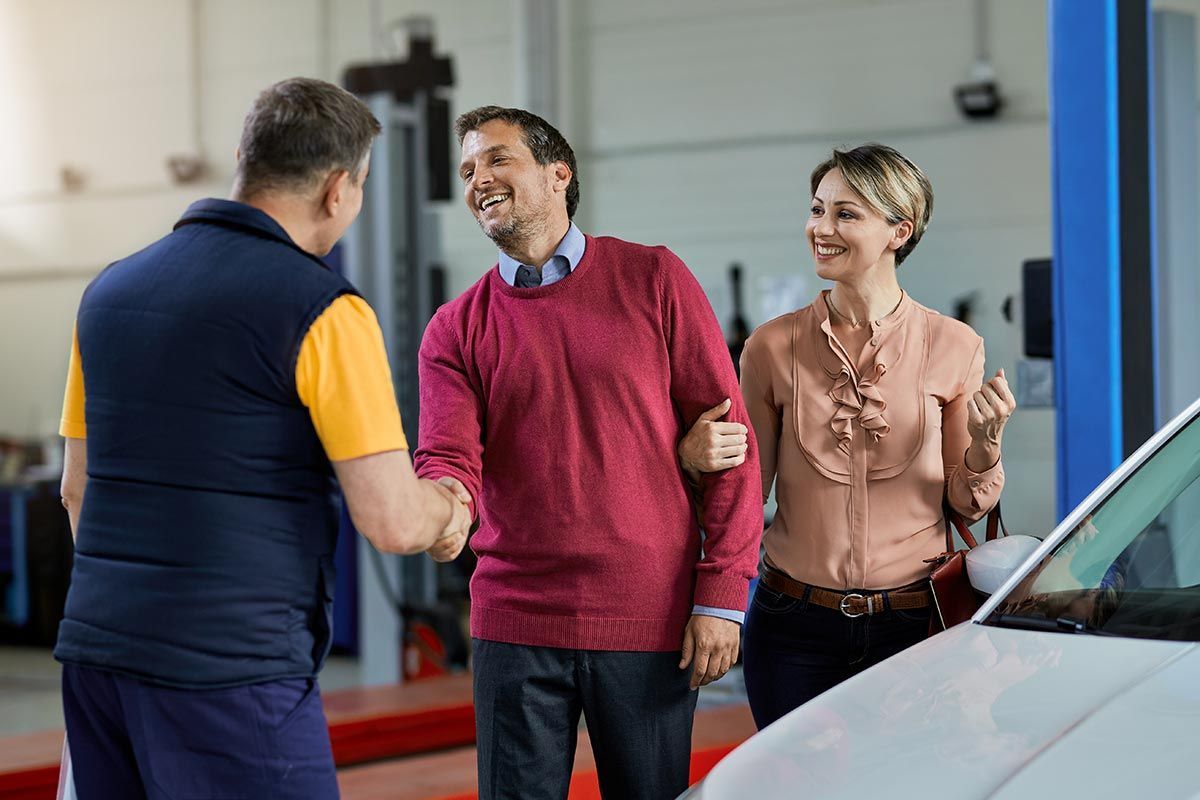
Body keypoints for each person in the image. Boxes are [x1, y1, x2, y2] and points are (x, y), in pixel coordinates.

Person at [55, 77, 470, 799]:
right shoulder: (323, 311)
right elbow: (393, 520)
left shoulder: (109, 293)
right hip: (231, 670)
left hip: (97, 657)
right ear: (340, 190)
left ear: (246, 155)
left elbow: (75, 488)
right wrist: (451, 509)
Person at [414, 106, 763, 800]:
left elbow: (731, 447)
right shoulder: (455, 329)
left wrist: (722, 597)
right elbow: (448, 456)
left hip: (648, 612)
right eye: (467, 170)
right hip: (514, 620)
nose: (478, 178)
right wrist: (443, 506)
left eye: (496, 159)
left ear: (558, 174)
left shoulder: (654, 279)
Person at [680, 143, 1015, 729]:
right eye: (817, 210)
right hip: (791, 628)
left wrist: (986, 444)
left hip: (915, 624)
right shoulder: (770, 345)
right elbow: (742, 493)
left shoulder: (954, 344)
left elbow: (965, 501)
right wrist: (692, 458)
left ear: (897, 231)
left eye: (846, 213)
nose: (821, 228)